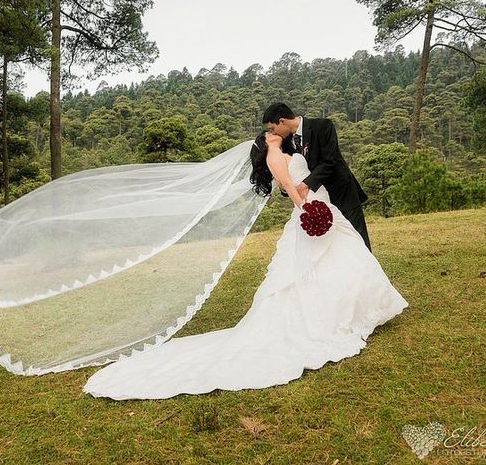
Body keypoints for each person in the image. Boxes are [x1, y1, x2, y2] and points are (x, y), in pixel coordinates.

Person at [81, 130, 409, 400]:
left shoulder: (285, 153)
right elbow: (291, 189)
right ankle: (334, 318)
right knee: (320, 268)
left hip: (318, 208)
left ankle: (351, 311)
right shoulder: (276, 157)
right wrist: (309, 210)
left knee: (339, 261)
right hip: (312, 212)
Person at [263, 102, 372, 251]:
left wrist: (305, 184)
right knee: (330, 247)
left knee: (356, 239)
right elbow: (290, 171)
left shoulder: (323, 126)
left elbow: (330, 161)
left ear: (282, 121)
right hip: (315, 201)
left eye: (272, 128)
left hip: (341, 193)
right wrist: (285, 186)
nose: (273, 133)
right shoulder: (286, 143)